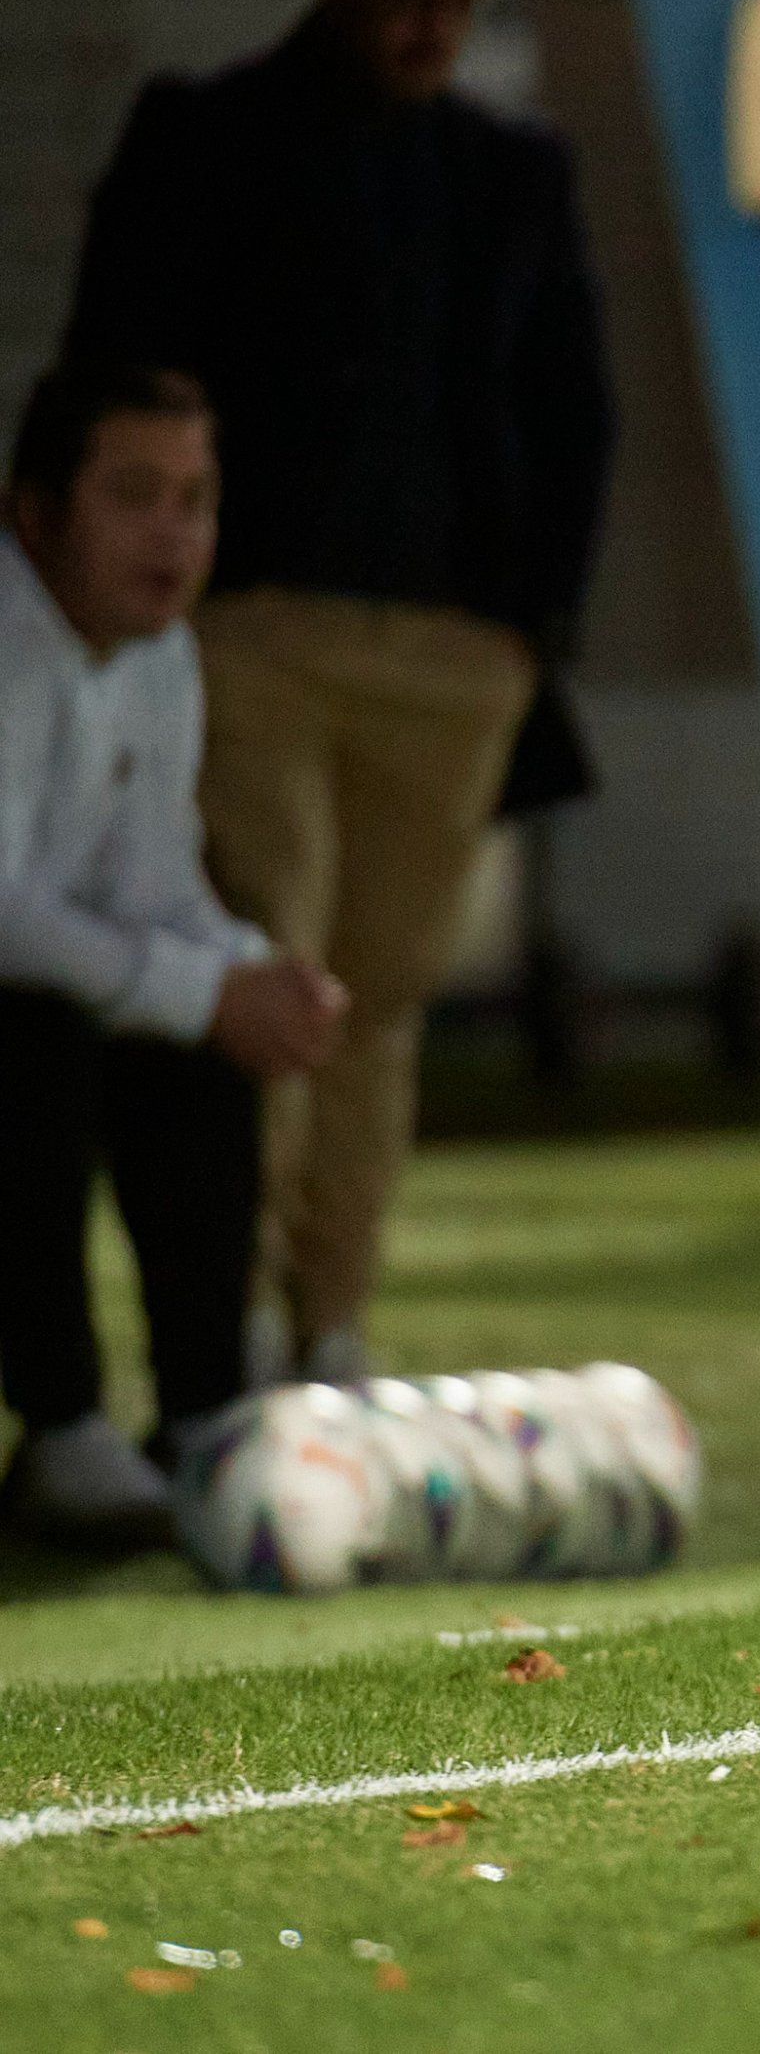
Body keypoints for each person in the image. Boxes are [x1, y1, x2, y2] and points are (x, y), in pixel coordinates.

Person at [69, 0, 616, 1391]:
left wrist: (528, 633)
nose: (431, 29)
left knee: (376, 1000)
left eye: (462, 1)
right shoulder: (206, 134)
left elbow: (576, 413)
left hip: (451, 653)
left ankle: (328, 1336)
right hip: (256, 629)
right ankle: (231, 1336)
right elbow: (114, 363)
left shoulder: (515, 174)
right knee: (267, 960)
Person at [0, 365, 346, 1547]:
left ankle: (205, 1414)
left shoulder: (160, 655)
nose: (174, 531)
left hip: (45, 984)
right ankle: (61, 1422)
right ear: (33, 511)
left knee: (198, 1038)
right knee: (38, 1042)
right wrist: (207, 989)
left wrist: (260, 975)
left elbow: (156, 886)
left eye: (194, 498)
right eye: (134, 493)